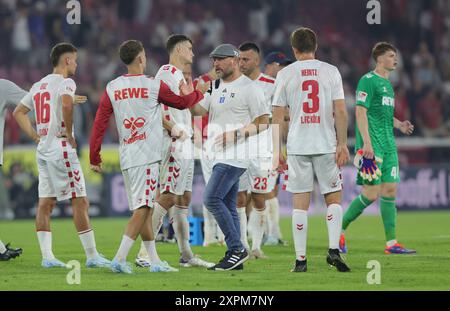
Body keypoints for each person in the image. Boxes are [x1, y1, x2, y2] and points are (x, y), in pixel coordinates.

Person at [89, 40, 206, 274]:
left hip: (127, 156)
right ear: (141, 58)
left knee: (145, 209)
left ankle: (154, 261)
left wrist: (95, 155)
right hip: (148, 156)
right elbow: (182, 103)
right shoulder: (152, 85)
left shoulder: (113, 86)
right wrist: (198, 93)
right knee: (143, 209)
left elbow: (100, 121)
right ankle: (120, 259)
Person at [13, 43, 110, 268]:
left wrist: (35, 136)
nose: (76, 64)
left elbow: (19, 112)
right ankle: (92, 256)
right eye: (75, 60)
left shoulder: (39, 85)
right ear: (66, 60)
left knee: (45, 203)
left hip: (43, 150)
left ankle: (47, 257)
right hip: (61, 148)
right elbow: (67, 103)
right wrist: (69, 132)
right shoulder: (67, 82)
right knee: (80, 200)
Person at [272, 27, 350, 272]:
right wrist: (342, 143)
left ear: (294, 49)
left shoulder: (285, 74)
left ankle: (301, 260)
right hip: (326, 143)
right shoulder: (331, 71)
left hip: (297, 145)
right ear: (315, 47)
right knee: (333, 198)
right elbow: (340, 111)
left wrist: (277, 150)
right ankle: (333, 251)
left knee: (300, 204)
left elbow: (277, 115)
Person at [136, 35, 214, 269]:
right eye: (189, 48)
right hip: (173, 142)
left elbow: (194, 110)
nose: (192, 52)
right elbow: (154, 106)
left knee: (183, 198)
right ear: (178, 49)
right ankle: (144, 253)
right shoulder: (167, 73)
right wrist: (171, 128)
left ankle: (186, 255)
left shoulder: (179, 76)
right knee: (168, 195)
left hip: (186, 142)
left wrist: (205, 89)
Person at [191, 43, 269, 270]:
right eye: (214, 59)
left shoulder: (249, 88)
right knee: (228, 203)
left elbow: (264, 121)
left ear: (234, 60)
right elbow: (198, 111)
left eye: (220, 59)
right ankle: (238, 256)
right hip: (218, 154)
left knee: (211, 199)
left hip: (236, 155)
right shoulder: (214, 86)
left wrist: (236, 134)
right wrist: (194, 93)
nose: (215, 63)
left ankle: (236, 248)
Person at [340, 42, 416, 255]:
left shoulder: (388, 85)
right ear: (380, 58)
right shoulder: (368, 80)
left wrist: (399, 124)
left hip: (389, 146)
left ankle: (392, 244)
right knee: (371, 193)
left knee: (390, 190)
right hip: (372, 146)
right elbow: (361, 112)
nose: (396, 60)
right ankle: (338, 230)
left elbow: (381, 114)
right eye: (392, 56)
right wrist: (366, 144)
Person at [236, 42, 277, 259]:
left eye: (246, 59)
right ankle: (243, 246)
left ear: (257, 61)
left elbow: (280, 116)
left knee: (260, 198)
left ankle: (257, 247)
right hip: (239, 150)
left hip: (262, 151)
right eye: (239, 59)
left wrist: (279, 148)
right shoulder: (233, 84)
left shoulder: (271, 85)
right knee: (240, 198)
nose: (241, 63)